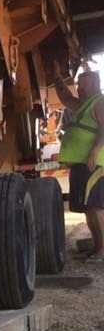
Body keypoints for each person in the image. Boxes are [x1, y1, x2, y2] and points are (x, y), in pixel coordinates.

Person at [54, 67, 104, 260]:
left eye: (83, 85)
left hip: (94, 163)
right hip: (82, 164)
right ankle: (97, 247)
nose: (79, 89)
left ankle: (102, 250)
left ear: (96, 84)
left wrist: (95, 150)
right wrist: (57, 77)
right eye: (78, 85)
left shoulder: (99, 102)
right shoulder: (84, 104)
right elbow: (66, 98)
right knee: (88, 208)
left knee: (96, 207)